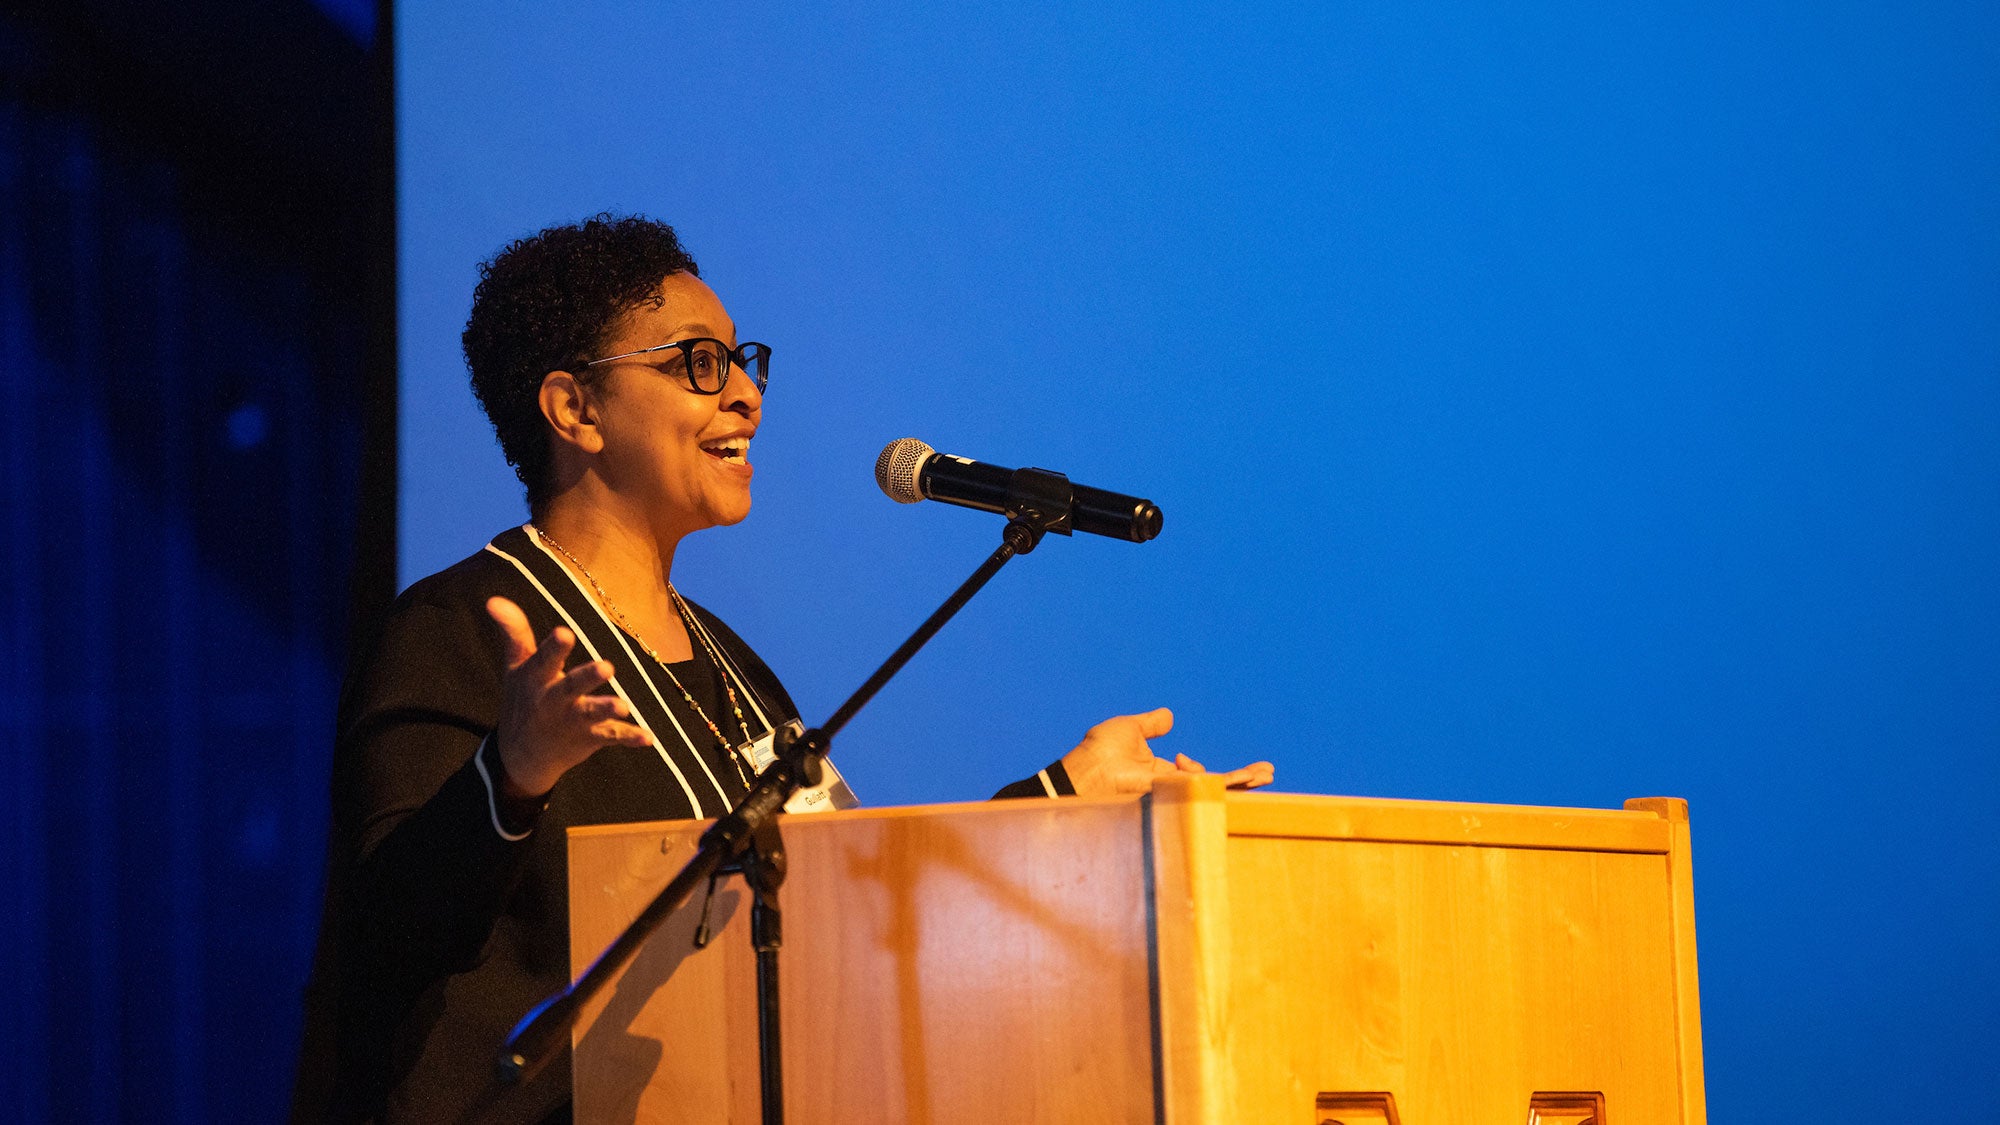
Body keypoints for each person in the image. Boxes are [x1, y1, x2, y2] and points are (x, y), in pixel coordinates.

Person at [291, 215, 1273, 1124]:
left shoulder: (730, 661)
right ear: (575, 408)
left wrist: (1059, 801)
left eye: (741, 361)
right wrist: (511, 773)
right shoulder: (458, 630)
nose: (746, 395)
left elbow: (843, 916)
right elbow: (387, 930)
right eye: (698, 363)